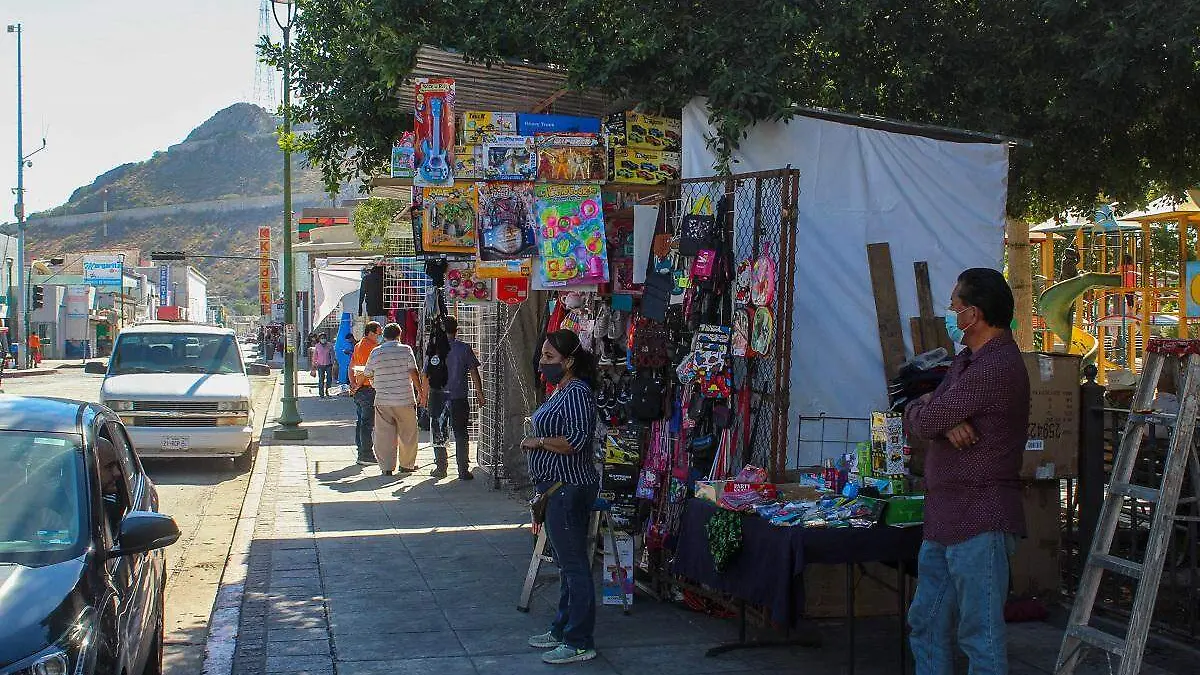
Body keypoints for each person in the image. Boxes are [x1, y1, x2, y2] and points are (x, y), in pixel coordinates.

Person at [903, 268, 1030, 675]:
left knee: (980, 636)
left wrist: (933, 416)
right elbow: (917, 410)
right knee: (925, 621)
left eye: (955, 306)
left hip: (981, 517)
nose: (951, 313)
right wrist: (941, 418)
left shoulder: (997, 366)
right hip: (947, 516)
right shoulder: (967, 362)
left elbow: (924, 418)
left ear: (972, 315)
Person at [521, 329, 601, 665]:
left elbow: (576, 441)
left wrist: (537, 442)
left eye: (550, 357)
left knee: (575, 567)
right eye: (542, 355)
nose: (543, 362)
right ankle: (562, 628)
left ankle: (579, 640)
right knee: (568, 567)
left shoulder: (578, 393)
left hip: (568, 488)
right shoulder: (561, 390)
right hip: (555, 489)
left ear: (569, 361)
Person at [423, 316, 484, 480]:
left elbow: (426, 375)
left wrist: (423, 397)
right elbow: (473, 372)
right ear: (456, 330)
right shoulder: (464, 348)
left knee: (439, 432)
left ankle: (441, 467)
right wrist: (479, 393)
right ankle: (463, 470)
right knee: (461, 433)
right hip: (458, 396)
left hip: (438, 396)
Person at [363, 322, 424, 476]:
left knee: (384, 435)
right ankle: (407, 465)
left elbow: (368, 372)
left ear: (384, 336)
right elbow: (413, 372)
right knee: (408, 433)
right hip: (404, 399)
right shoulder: (406, 350)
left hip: (383, 400)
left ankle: (387, 467)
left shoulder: (376, 352)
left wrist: (375, 383)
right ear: (399, 335)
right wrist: (420, 391)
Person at [349, 322, 382, 466]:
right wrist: (357, 385)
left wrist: (353, 384)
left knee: (361, 422)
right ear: (371, 333)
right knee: (367, 424)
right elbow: (366, 371)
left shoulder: (357, 346)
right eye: (378, 334)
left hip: (360, 389)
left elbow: (351, 367)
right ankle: (366, 454)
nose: (380, 336)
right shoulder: (372, 348)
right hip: (367, 388)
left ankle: (361, 451)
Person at [310, 332, 335, 398]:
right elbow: (315, 356)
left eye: (324, 338)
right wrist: (313, 364)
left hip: (329, 364)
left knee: (329, 379)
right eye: (322, 338)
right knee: (321, 379)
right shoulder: (317, 346)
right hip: (320, 365)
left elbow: (332, 355)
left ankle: (328, 392)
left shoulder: (330, 345)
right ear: (319, 339)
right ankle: (321, 393)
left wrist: (333, 363)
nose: (323, 339)